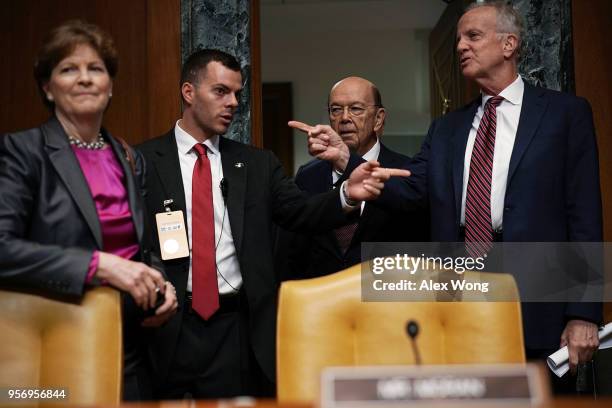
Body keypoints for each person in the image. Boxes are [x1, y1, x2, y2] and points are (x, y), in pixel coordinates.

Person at [318, 1, 601, 393]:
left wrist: (584, 313)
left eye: (473, 36)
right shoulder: (446, 128)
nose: (461, 47)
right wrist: (346, 160)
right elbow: (411, 190)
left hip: (539, 307)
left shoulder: (565, 114)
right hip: (458, 304)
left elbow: (585, 215)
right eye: (458, 39)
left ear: (509, 44)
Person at [137, 49, 407, 399]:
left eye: (237, 93)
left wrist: (347, 194)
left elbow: (302, 214)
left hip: (236, 331)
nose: (233, 102)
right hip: (167, 327)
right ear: (189, 93)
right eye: (221, 91)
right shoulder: (141, 160)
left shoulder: (257, 164)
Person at [0, 20, 178, 400]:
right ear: (48, 88)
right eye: (68, 69)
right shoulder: (22, 152)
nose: (84, 79)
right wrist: (100, 265)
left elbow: (145, 249)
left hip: (131, 342)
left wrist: (160, 285)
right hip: (55, 338)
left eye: (95, 69)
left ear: (110, 85)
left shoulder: (130, 159)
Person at [278, 76, 429, 279]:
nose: (344, 118)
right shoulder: (308, 175)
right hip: (322, 298)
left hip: (385, 299)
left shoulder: (406, 172)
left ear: (378, 119)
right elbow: (293, 250)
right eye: (336, 109)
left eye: (356, 109)